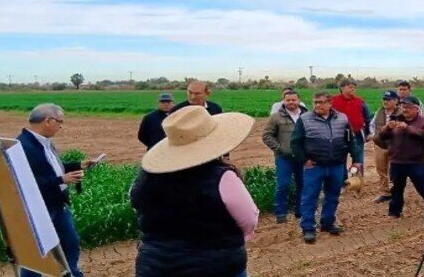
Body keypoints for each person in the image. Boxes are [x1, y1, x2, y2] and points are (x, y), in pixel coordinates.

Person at [131, 106, 258, 277]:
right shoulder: (222, 177)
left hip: (155, 265)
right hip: (216, 266)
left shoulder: (147, 176)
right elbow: (249, 219)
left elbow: (137, 205)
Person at [17, 104, 99, 277]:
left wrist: (78, 165)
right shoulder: (23, 147)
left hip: (57, 204)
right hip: (40, 208)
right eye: (60, 122)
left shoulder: (44, 143)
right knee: (36, 256)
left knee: (70, 243)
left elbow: (53, 168)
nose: (61, 127)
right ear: (48, 121)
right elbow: (24, 183)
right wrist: (61, 180)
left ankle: (72, 273)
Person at [290, 92, 355, 243]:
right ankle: (308, 228)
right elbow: (295, 143)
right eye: (315, 102)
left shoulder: (342, 118)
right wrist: (304, 159)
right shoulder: (305, 119)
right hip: (314, 166)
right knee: (310, 197)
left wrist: (356, 159)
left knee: (332, 196)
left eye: (321, 102)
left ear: (330, 103)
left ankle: (327, 223)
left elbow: (351, 140)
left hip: (336, 165)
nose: (317, 105)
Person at [372, 96, 424, 217]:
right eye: (403, 107)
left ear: (416, 109)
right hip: (396, 161)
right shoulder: (395, 119)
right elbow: (381, 136)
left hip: (415, 162)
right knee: (396, 188)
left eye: (408, 107)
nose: (405, 109)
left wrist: (408, 128)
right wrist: (387, 128)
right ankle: (394, 212)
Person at [262, 90, 308, 223]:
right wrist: (279, 148)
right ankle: (280, 213)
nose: (291, 102)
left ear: (299, 101)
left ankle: (300, 210)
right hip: (284, 157)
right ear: (283, 101)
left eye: (293, 100)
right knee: (283, 185)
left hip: (302, 157)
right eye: (288, 100)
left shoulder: (307, 116)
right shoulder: (276, 117)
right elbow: (267, 135)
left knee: (303, 184)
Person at [369, 90, 402, 203]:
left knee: (396, 170)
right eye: (384, 99)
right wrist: (374, 135)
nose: (385, 102)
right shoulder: (379, 112)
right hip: (380, 145)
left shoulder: (402, 112)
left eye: (388, 100)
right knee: (381, 170)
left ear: (395, 101)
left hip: (397, 146)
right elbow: (372, 125)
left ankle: (397, 192)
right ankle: (385, 193)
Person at [330, 79, 371, 172]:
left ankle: (357, 182)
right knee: (340, 158)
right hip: (339, 135)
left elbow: (368, 118)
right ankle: (342, 181)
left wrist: (368, 132)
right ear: (341, 88)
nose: (353, 89)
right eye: (350, 87)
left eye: (354, 87)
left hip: (357, 134)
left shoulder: (360, 101)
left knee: (358, 158)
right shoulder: (333, 101)